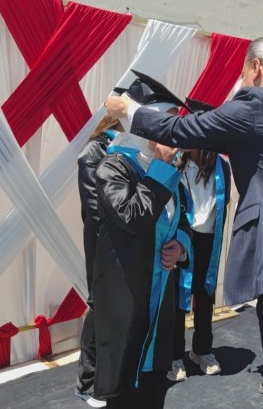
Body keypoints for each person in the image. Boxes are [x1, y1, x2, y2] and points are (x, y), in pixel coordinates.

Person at [105, 36, 263, 409]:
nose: (241, 82)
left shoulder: (259, 102)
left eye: (242, 72)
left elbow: (182, 131)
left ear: (256, 67)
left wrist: (128, 109)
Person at [93, 79, 193, 408]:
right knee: (125, 390)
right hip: (128, 297)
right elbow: (135, 217)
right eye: (163, 126)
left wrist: (180, 246)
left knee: (153, 387)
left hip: (159, 298)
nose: (171, 137)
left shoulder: (165, 171)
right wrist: (162, 168)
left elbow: (181, 220)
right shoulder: (114, 167)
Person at [168, 147, 231, 382]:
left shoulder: (221, 166)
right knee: (178, 299)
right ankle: (174, 355)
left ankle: (202, 350)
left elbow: (223, 202)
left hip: (209, 239)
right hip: (184, 237)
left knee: (205, 296)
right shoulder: (176, 162)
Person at [75, 115, 123, 407]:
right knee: (98, 305)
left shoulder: (125, 149)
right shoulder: (93, 152)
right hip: (102, 243)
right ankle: (87, 382)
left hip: (121, 244)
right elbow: (94, 208)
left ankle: (107, 377)